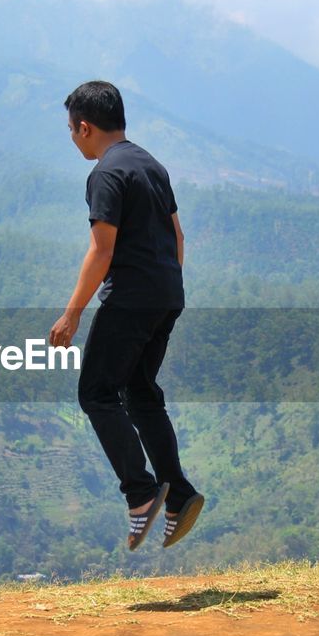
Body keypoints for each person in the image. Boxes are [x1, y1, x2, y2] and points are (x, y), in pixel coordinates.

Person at [48, 80, 206, 551]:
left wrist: (72, 314)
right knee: (139, 392)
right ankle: (177, 491)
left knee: (96, 392)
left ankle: (140, 493)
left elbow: (102, 250)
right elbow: (177, 236)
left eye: (71, 131)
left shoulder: (105, 174)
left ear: (85, 126)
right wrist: (163, 288)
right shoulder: (150, 164)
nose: (73, 139)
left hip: (132, 300)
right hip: (166, 296)